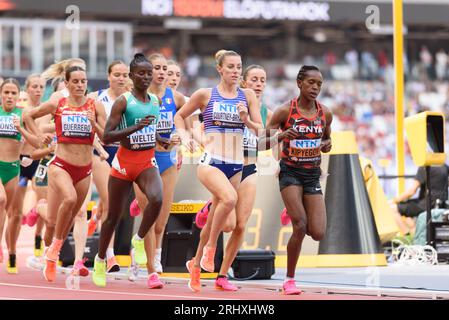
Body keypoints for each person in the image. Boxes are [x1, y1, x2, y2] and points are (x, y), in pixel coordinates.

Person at [174, 50, 262, 293]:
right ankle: (210, 249)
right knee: (230, 199)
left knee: (224, 221)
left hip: (237, 165)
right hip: (211, 160)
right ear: (220, 69)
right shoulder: (205, 94)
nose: (235, 71)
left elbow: (260, 132)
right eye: (231, 67)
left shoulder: (248, 97)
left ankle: (195, 263)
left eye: (238, 67)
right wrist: (185, 137)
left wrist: (246, 121)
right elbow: (180, 118)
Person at [24, 65, 107, 282]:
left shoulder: (95, 105)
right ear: (67, 84)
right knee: (69, 200)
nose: (80, 85)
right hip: (60, 164)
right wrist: (37, 136)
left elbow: (107, 136)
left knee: (64, 218)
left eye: (83, 81)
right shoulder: (57, 103)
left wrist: (94, 125)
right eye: (76, 81)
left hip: (84, 169)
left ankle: (52, 251)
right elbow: (29, 116)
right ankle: (53, 250)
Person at [195, 65, 273, 291]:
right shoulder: (231, 102)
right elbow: (201, 124)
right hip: (226, 166)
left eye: (263, 80)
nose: (259, 84)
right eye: (254, 80)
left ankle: (221, 276)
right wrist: (203, 141)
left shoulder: (263, 110)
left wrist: (278, 139)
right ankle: (198, 258)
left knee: (240, 226)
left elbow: (262, 141)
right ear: (245, 83)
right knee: (225, 225)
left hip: (249, 168)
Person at [92, 53, 163, 288]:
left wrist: (164, 138)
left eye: (148, 73)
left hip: (146, 161)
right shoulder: (123, 101)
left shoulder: (155, 100)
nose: (146, 77)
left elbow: (150, 132)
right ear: (132, 76)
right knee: (113, 216)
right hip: (124, 163)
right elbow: (107, 136)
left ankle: (139, 239)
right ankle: (101, 259)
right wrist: (135, 127)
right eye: (141, 73)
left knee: (157, 199)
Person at [259, 65, 333, 295]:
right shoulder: (284, 112)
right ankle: (289, 280)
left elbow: (327, 140)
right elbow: (261, 143)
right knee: (300, 225)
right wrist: (281, 135)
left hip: (312, 174)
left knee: (318, 232)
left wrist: (327, 145)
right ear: (299, 83)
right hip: (290, 172)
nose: (315, 88)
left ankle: (293, 209)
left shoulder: (325, 113)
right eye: (311, 82)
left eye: (319, 84)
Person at [128, 54, 185, 284]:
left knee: (161, 222)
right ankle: (152, 270)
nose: (161, 73)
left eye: (165, 69)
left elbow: (189, 121)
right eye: (157, 69)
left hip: (168, 161)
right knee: (149, 216)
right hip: (142, 160)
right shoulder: (137, 98)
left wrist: (182, 137)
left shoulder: (177, 97)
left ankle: (140, 248)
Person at [86, 60, 129, 273]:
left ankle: (96, 213)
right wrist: (100, 148)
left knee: (112, 202)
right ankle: (108, 255)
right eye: (117, 74)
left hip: (123, 153)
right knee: (112, 202)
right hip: (101, 153)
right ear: (108, 76)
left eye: (124, 74)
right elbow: (90, 129)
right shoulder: (95, 98)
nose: (121, 78)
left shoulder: (132, 98)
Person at [0, 78, 42, 273]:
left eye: (13, 93)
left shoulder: (23, 114)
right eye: (6, 92)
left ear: (18, 96)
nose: (9, 96)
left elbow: (37, 142)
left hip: (14, 168)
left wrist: (20, 128)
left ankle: (12, 252)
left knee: (14, 214)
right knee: (0, 200)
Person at [390, 165, 449, 235]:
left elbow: (411, 192)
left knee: (392, 208)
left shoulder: (425, 167)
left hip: (425, 205)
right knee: (408, 213)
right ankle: (416, 236)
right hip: (441, 205)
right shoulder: (445, 167)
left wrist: (394, 200)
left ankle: (407, 235)